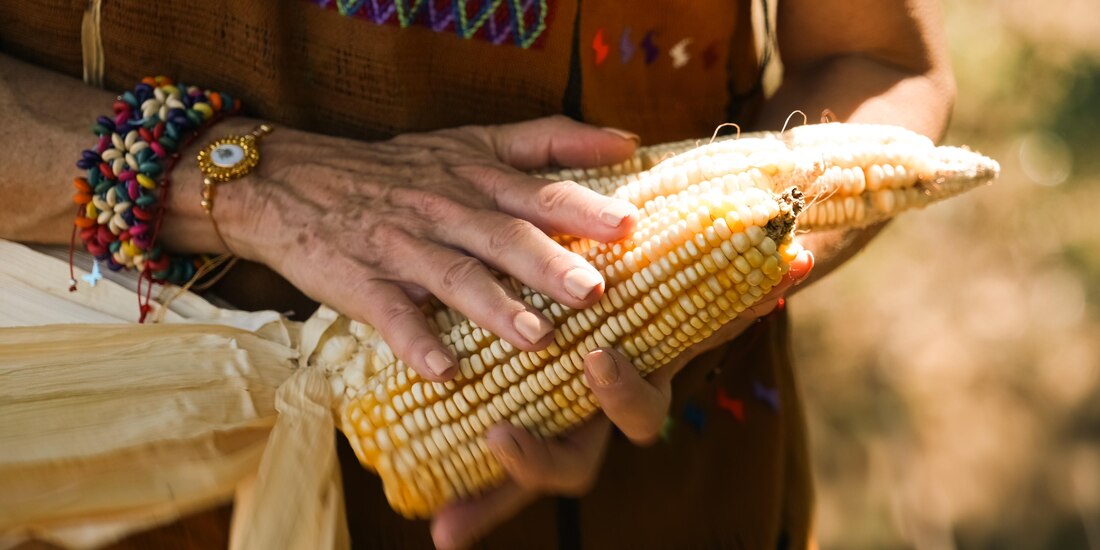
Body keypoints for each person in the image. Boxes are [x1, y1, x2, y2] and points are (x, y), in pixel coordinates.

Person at [0, 0, 954, 547]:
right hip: (85, 452)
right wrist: (248, 185)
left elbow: (874, 57)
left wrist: (667, 305)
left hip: (631, 477)